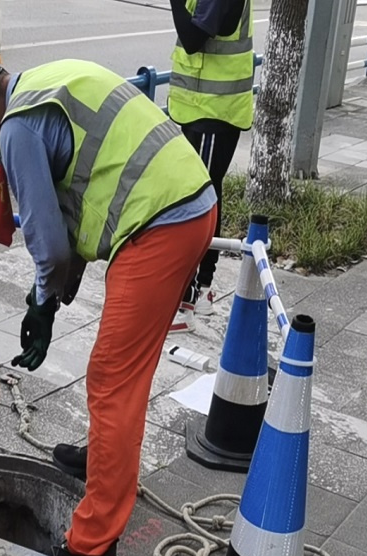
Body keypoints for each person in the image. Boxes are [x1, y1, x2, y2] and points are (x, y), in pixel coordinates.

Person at [0, 50, 217, 556]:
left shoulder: (15, 129)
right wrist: (52, 297)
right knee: (125, 366)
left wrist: (41, 304)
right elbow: (78, 209)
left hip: (161, 222)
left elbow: (52, 249)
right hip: (187, 206)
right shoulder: (45, 85)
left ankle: (92, 550)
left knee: (111, 378)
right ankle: (102, 458)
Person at [167, 0, 254, 333]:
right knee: (206, 193)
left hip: (214, 112)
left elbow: (192, 38)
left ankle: (189, 297)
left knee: (198, 198)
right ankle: (202, 289)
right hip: (200, 107)